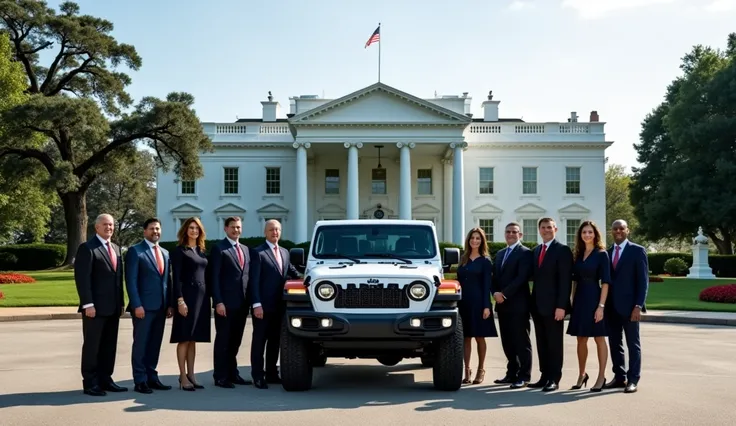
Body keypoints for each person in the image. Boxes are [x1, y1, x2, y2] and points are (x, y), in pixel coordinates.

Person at [74, 213, 127, 396]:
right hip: (94, 308)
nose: (109, 228)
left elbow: (118, 279)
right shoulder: (87, 248)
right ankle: (90, 382)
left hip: (113, 308)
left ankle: (106, 379)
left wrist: (121, 303)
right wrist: (88, 304)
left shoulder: (116, 249)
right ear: (96, 227)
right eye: (105, 224)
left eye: (111, 225)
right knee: (92, 346)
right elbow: (82, 279)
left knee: (109, 345)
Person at [124, 218, 173, 394]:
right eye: (152, 229)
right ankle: (140, 380)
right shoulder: (135, 252)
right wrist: (136, 304)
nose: (155, 232)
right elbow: (131, 281)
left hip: (161, 307)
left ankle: (152, 377)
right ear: (145, 231)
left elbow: (167, 281)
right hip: (143, 308)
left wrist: (169, 305)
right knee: (141, 344)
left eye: (158, 229)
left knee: (154, 344)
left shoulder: (166, 253)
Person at [210, 216, 260, 388]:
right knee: (223, 341)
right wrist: (218, 302)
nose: (236, 230)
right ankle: (220, 376)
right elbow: (214, 278)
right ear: (225, 228)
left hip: (242, 304)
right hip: (225, 304)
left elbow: (248, 278)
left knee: (236, 341)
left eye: (238, 227)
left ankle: (233, 373)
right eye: (232, 227)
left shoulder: (246, 250)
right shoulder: (219, 249)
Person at [251, 219, 301, 389]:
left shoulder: (285, 252)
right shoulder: (258, 253)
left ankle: (272, 373)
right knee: (259, 341)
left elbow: (292, 273)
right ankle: (257, 376)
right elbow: (254, 281)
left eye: (278, 229)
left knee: (275, 341)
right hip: (263, 307)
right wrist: (256, 304)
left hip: (280, 306)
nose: (275, 232)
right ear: (265, 232)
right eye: (271, 229)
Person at [604, 219, 649, 394]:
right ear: (611, 231)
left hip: (631, 307)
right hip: (611, 308)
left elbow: (643, 282)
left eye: (621, 228)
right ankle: (619, 377)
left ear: (627, 230)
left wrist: (638, 305)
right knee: (615, 344)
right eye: (615, 229)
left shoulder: (637, 251)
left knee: (633, 344)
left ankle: (633, 379)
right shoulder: (607, 253)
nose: (618, 231)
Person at [566, 221, 611, 392]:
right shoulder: (578, 254)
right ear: (580, 235)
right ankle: (582, 374)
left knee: (599, 337)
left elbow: (606, 282)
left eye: (590, 232)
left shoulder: (601, 254)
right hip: (579, 299)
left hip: (594, 297)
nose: (587, 235)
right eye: (584, 232)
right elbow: (574, 280)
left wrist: (601, 306)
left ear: (595, 234)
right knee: (581, 338)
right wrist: (571, 299)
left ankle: (601, 376)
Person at [529, 217, 573, 392]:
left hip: (555, 307)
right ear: (539, 230)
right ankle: (544, 375)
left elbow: (565, 281)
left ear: (555, 229)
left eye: (549, 227)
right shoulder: (536, 250)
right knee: (541, 342)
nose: (546, 230)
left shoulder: (562, 250)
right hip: (537, 306)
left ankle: (554, 378)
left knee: (554, 343)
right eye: (543, 227)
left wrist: (562, 306)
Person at [170, 217, 211, 391]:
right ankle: (182, 376)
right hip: (186, 298)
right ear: (185, 230)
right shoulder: (179, 251)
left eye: (197, 228)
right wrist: (180, 300)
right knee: (184, 338)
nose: (194, 231)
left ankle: (191, 375)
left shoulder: (201, 251)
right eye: (191, 227)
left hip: (201, 300)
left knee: (193, 339)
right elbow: (176, 278)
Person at [492, 222, 534, 389]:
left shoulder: (525, 253)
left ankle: (524, 376)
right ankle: (511, 373)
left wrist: (504, 294)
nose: (511, 234)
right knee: (507, 341)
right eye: (508, 231)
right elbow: (494, 277)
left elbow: (521, 278)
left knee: (521, 341)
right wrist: (494, 292)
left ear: (520, 235)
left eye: (514, 232)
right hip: (502, 306)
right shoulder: (500, 254)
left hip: (518, 305)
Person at [456, 227, 496, 385]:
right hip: (463, 303)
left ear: (482, 241)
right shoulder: (463, 258)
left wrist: (487, 306)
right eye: (472, 238)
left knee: (480, 337)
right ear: (468, 240)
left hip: (479, 303)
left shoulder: (485, 261)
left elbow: (487, 285)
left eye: (478, 238)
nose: (474, 240)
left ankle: (481, 369)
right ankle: (467, 371)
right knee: (465, 338)